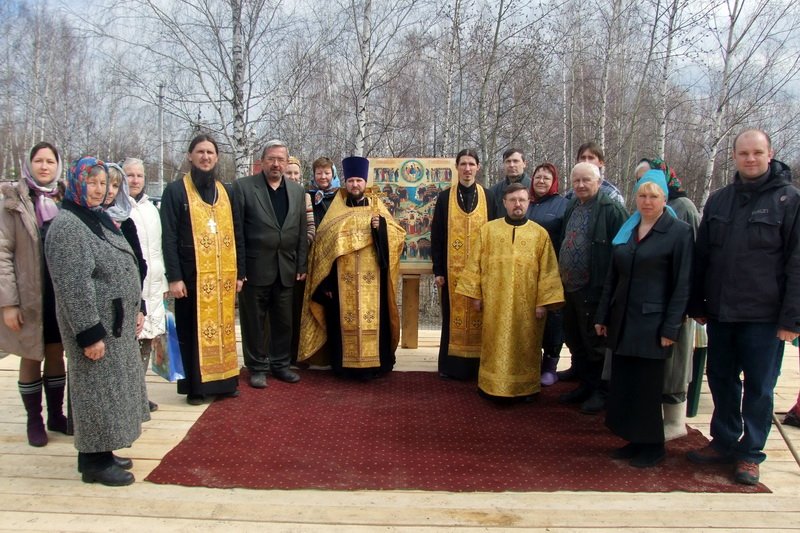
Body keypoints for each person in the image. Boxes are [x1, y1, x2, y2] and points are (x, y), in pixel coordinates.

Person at [687, 129, 800, 485]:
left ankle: (750, 453)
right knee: (720, 379)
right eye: (743, 153)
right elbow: (702, 256)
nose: (750, 159)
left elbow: (797, 263)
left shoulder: (789, 200)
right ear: (734, 156)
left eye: (757, 152)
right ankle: (723, 440)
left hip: (764, 316)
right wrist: (697, 302)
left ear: (770, 154)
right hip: (722, 312)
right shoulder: (720, 200)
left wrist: (792, 320)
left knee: (759, 387)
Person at [45, 157, 149, 486]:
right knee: (95, 394)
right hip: (96, 328)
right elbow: (73, 286)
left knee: (108, 393)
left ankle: (104, 451)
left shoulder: (94, 217)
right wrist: (89, 334)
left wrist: (136, 305)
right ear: (77, 182)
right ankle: (93, 463)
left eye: (103, 183)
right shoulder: (68, 226)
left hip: (114, 325)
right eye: (91, 182)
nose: (99, 189)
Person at [594, 170, 693, 468]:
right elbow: (612, 277)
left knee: (647, 387)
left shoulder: (678, 232)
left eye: (653, 196)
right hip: (623, 320)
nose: (647, 201)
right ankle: (633, 439)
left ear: (664, 199)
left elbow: (682, 284)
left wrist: (671, 327)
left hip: (653, 323)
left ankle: (653, 446)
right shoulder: (628, 230)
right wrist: (603, 315)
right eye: (642, 195)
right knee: (625, 383)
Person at [298, 156, 405, 379]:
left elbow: (398, 237)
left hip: (373, 281)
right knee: (341, 322)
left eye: (359, 180)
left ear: (365, 182)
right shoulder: (336, 210)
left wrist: (380, 229)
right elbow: (323, 247)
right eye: (351, 181)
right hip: (341, 281)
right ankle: (344, 367)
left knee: (375, 321)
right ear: (345, 182)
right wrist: (326, 283)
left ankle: (375, 365)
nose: (355, 185)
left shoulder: (377, 207)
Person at [456, 183, 564, 401]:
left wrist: (542, 303)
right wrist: (475, 295)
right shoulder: (488, 230)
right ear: (504, 203)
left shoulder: (539, 234)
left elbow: (548, 270)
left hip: (528, 306)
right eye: (513, 200)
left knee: (526, 345)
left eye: (522, 200)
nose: (517, 204)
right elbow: (475, 263)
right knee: (493, 344)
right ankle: (490, 386)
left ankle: (525, 389)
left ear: (528, 203)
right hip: (494, 303)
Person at [160, 134, 244, 405]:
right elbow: (169, 237)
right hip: (191, 277)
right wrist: (174, 277)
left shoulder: (226, 192)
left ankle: (226, 382)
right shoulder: (176, 191)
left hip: (223, 277)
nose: (205, 157)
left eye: (210, 152)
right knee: (192, 331)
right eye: (200, 152)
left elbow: (238, 233)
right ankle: (196, 388)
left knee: (224, 329)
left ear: (217, 157)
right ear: (190, 156)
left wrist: (240, 273)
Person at [0, 142, 69, 447]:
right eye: (39, 161)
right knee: (30, 355)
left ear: (58, 165)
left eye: (50, 161)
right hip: (28, 294)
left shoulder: (65, 198)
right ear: (29, 164)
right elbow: (2, 253)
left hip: (58, 292)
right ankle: (34, 420)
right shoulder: (13, 201)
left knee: (56, 352)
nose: (44, 166)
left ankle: (56, 415)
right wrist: (8, 303)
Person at [233, 140, 308, 388]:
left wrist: (301, 264)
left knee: (283, 322)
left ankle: (281, 365)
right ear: (262, 161)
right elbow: (237, 232)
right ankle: (257, 367)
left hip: (286, 268)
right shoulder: (244, 188)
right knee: (254, 322)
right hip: (255, 268)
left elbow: (300, 230)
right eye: (271, 159)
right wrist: (240, 269)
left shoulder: (297, 191)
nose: (276, 164)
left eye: (281, 160)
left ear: (287, 163)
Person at [635, 158, 701, 439]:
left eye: (650, 178)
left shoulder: (683, 209)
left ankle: (675, 422)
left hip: (673, 305)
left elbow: (691, 262)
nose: (646, 189)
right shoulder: (638, 217)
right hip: (643, 307)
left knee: (674, 365)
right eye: (640, 182)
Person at [558, 162, 627, 414]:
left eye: (586, 180)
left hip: (594, 288)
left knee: (596, 344)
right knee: (575, 339)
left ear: (599, 181)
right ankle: (585, 386)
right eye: (576, 180)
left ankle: (602, 391)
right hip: (570, 287)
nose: (580, 185)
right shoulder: (572, 206)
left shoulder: (612, 210)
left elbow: (622, 253)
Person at [430, 149, 496, 381]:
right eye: (463, 164)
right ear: (457, 167)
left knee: (481, 315)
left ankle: (479, 367)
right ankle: (452, 367)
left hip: (481, 272)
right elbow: (437, 235)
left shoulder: (488, 197)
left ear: (478, 167)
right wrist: (438, 270)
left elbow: (495, 235)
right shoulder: (444, 198)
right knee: (452, 317)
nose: (467, 169)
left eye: (471, 164)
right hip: (452, 271)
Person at [124, 157, 167, 412]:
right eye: (130, 175)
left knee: (148, 340)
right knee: (131, 340)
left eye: (139, 175)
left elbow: (158, 248)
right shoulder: (117, 209)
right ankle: (128, 396)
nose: (135, 180)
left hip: (154, 284)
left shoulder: (152, 209)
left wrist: (164, 281)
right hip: (132, 285)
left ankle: (139, 393)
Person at [525, 162, 569, 386]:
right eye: (538, 177)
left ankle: (550, 365)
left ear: (554, 182)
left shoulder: (563, 205)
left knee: (553, 318)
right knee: (529, 317)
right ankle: (530, 362)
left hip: (553, 270)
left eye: (546, 178)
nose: (541, 181)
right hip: (525, 272)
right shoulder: (525, 202)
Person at [284, 155, 315, 363]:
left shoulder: (305, 197)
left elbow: (311, 227)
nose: (293, 176)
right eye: (289, 172)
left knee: (296, 308)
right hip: (276, 259)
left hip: (297, 259)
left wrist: (299, 245)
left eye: (296, 173)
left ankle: (296, 353)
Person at [563, 142, 625, 206]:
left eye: (591, 158)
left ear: (601, 163)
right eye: (583, 158)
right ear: (578, 162)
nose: (586, 161)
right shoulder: (572, 194)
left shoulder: (611, 194)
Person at [488, 149, 531, 217]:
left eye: (515, 161)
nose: (511, 165)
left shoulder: (534, 189)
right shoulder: (493, 192)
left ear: (524, 164)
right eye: (508, 161)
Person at [308, 156, 340, 227]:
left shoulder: (340, 196)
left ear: (333, 175)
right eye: (319, 173)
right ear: (314, 175)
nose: (323, 177)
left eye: (327, 173)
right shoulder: (307, 196)